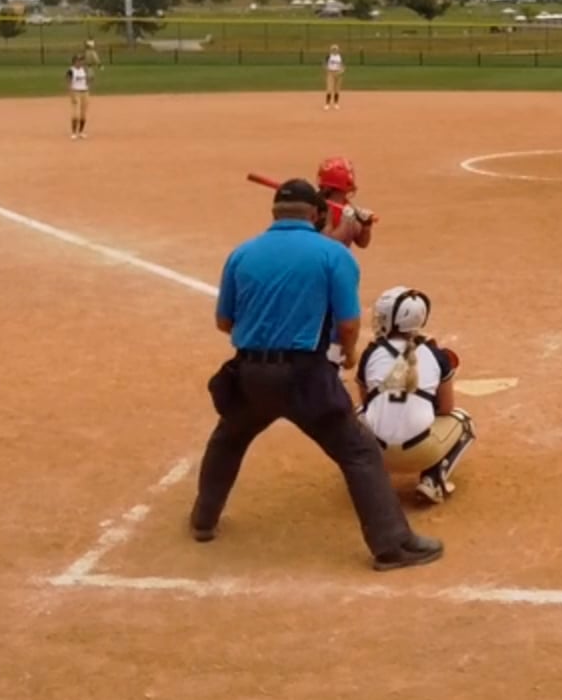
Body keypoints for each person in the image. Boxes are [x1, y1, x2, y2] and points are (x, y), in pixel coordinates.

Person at [189, 179, 441, 570]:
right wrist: (350, 354)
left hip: (250, 373)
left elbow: (224, 322)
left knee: (228, 439)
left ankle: (203, 520)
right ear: (317, 214)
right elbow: (348, 324)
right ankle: (392, 544)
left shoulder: (241, 253)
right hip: (305, 376)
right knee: (358, 452)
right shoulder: (333, 255)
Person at [356, 287, 477, 504]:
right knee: (464, 422)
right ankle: (432, 480)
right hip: (420, 451)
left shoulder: (371, 353)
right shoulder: (435, 354)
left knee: (356, 415)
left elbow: (366, 404)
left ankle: (371, 481)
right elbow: (446, 408)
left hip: (377, 452)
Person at [315, 155, 376, 249]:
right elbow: (329, 244)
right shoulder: (320, 208)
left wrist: (366, 227)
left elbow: (362, 243)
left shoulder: (347, 207)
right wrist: (345, 222)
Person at [66, 51, 92, 140]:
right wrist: (71, 94)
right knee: (75, 114)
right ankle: (74, 133)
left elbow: (87, 80)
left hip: (85, 92)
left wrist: (88, 84)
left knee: (83, 114)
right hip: (75, 92)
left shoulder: (84, 69)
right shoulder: (71, 70)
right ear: (74, 61)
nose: (81, 62)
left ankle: (81, 132)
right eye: (79, 60)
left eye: (81, 60)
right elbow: (69, 83)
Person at [324, 43, 345, 111]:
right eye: (333, 49)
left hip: (338, 73)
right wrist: (327, 69)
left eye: (335, 49)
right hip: (330, 73)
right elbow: (324, 64)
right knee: (329, 89)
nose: (334, 50)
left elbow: (343, 65)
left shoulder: (340, 57)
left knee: (337, 89)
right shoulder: (329, 56)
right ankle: (327, 104)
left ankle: (336, 103)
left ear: (338, 50)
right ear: (331, 50)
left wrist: (342, 70)